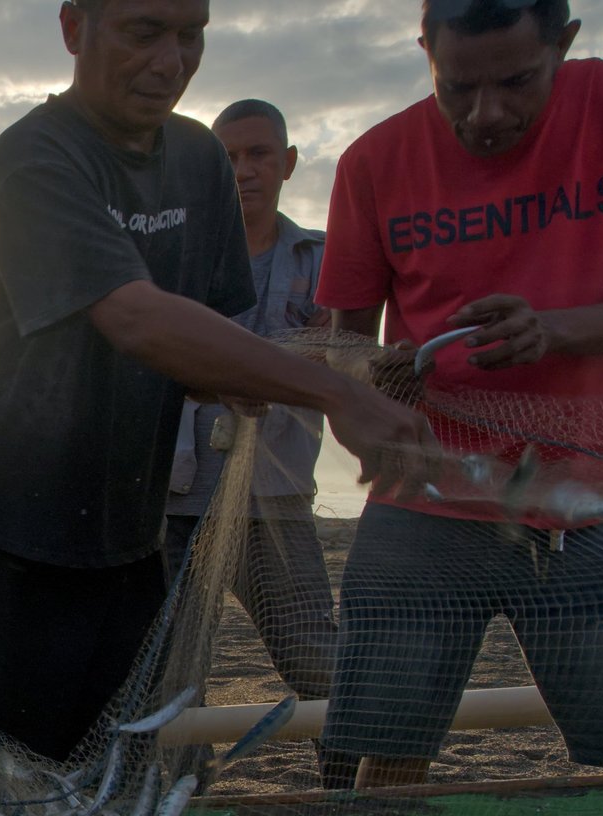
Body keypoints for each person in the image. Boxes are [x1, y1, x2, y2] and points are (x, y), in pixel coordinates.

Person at [0, 0, 435, 763]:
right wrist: (337, 394)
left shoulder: (200, 160)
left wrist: (291, 374)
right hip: (10, 531)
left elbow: (214, 338)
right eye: (143, 32)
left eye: (190, 35)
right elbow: (135, 318)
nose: (170, 60)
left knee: (120, 768)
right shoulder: (35, 158)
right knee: (0, 781)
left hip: (132, 535)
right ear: (74, 28)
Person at [317, 0, 603, 787]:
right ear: (426, 48)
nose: (485, 112)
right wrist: (378, 383)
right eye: (456, 86)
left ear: (564, 43)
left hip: (594, 495)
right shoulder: (372, 159)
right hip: (427, 495)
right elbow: (343, 348)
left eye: (517, 81)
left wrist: (553, 330)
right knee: (378, 751)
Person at [163, 100, 341, 758]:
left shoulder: (322, 258)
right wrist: (289, 362)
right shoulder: (175, 261)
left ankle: (351, 793)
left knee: (315, 656)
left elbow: (348, 356)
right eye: (228, 158)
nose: (244, 170)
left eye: (259, 154)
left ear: (288, 163)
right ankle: (184, 804)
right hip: (179, 495)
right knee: (172, 677)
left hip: (276, 490)